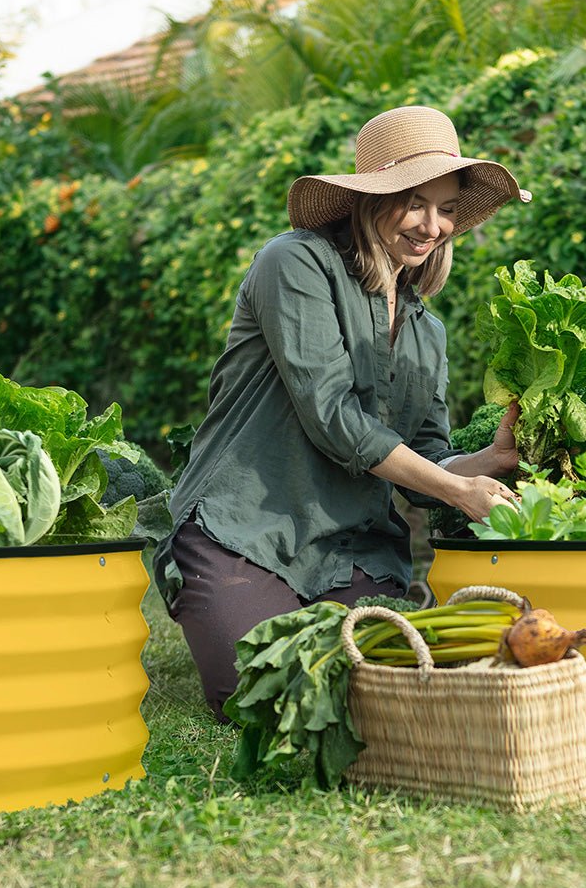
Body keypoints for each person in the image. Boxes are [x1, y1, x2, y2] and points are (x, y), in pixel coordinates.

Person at [153, 104, 531, 719]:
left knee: (366, 698)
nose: (431, 226)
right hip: (247, 528)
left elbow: (429, 462)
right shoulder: (295, 263)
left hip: (353, 550)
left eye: (446, 209)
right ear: (369, 198)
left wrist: (487, 461)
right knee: (259, 698)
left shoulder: (425, 330)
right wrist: (460, 491)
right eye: (414, 202)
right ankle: (209, 588)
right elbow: (330, 414)